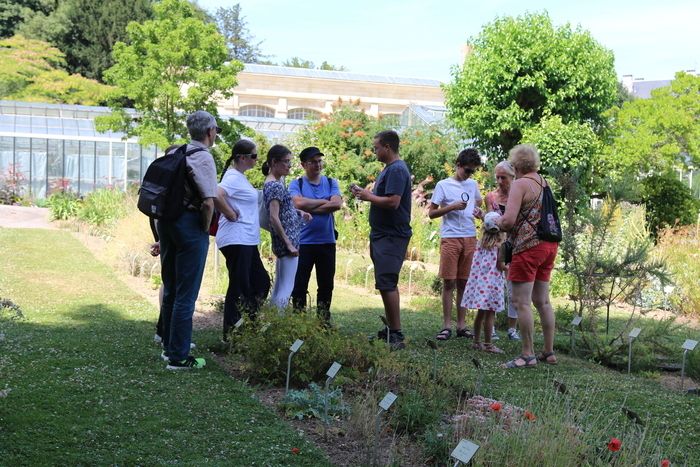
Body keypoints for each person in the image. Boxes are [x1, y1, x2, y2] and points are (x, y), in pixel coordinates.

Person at [158, 110, 218, 370]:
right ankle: (179, 357)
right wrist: (204, 230)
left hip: (166, 223)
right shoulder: (203, 157)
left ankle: (169, 346)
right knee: (187, 292)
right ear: (210, 132)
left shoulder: (177, 152)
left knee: (170, 286)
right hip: (189, 225)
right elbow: (207, 202)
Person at [496, 144, 558, 369]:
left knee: (521, 302)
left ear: (516, 165)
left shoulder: (521, 184)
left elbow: (509, 220)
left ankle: (527, 354)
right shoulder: (544, 182)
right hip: (549, 246)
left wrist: (495, 221)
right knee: (543, 301)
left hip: (528, 247)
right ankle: (549, 352)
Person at [351, 130, 412, 350]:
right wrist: (366, 194)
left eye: (376, 147)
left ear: (387, 147)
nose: (374, 150)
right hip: (383, 234)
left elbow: (393, 202)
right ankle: (390, 330)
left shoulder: (396, 169)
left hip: (391, 235)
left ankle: (396, 334)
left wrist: (367, 196)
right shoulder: (390, 169)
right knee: (384, 282)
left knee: (387, 283)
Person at [215, 139, 271, 340]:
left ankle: (248, 324)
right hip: (236, 238)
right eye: (254, 156)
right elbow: (216, 194)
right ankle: (231, 334)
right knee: (239, 286)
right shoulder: (232, 177)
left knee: (260, 283)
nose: (257, 159)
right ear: (242, 158)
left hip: (246, 239)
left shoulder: (240, 178)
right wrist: (229, 212)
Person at [428, 148, 483, 341]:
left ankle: (461, 326)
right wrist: (451, 207)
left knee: (464, 282)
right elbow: (431, 213)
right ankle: (446, 326)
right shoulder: (443, 185)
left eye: (473, 171)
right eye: (467, 170)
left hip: (470, 237)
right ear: (458, 165)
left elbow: (478, 203)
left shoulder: (472, 184)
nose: (470, 174)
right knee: (449, 282)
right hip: (450, 237)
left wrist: (478, 211)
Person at [288, 146, 343, 323]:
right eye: (312, 162)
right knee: (300, 285)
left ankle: (323, 322)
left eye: (319, 161)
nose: (317, 164)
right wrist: (323, 202)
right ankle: (299, 320)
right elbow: (297, 202)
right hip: (304, 242)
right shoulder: (297, 184)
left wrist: (310, 204)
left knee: (326, 285)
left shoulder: (331, 182)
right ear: (303, 164)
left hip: (327, 242)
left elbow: (336, 205)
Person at [263, 144, 311, 310]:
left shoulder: (276, 182)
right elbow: (274, 217)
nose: (290, 165)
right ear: (274, 162)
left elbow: (282, 209)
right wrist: (288, 243)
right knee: (286, 288)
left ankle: (273, 324)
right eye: (286, 162)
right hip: (287, 242)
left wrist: (298, 212)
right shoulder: (274, 185)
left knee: (280, 286)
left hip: (288, 240)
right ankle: (278, 325)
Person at [484, 161, 520, 341]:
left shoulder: (519, 195)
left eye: (503, 177)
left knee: (514, 289)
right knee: (492, 287)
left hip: (516, 245)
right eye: (497, 177)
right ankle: (490, 328)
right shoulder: (490, 197)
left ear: (513, 177)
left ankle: (512, 329)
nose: (499, 181)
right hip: (496, 247)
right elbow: (490, 224)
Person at [461, 217, 507, 354]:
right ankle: (488, 344)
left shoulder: (480, 244)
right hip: (492, 284)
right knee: (490, 314)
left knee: (481, 313)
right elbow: (500, 265)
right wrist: (509, 268)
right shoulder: (500, 247)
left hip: (480, 285)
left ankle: (476, 341)